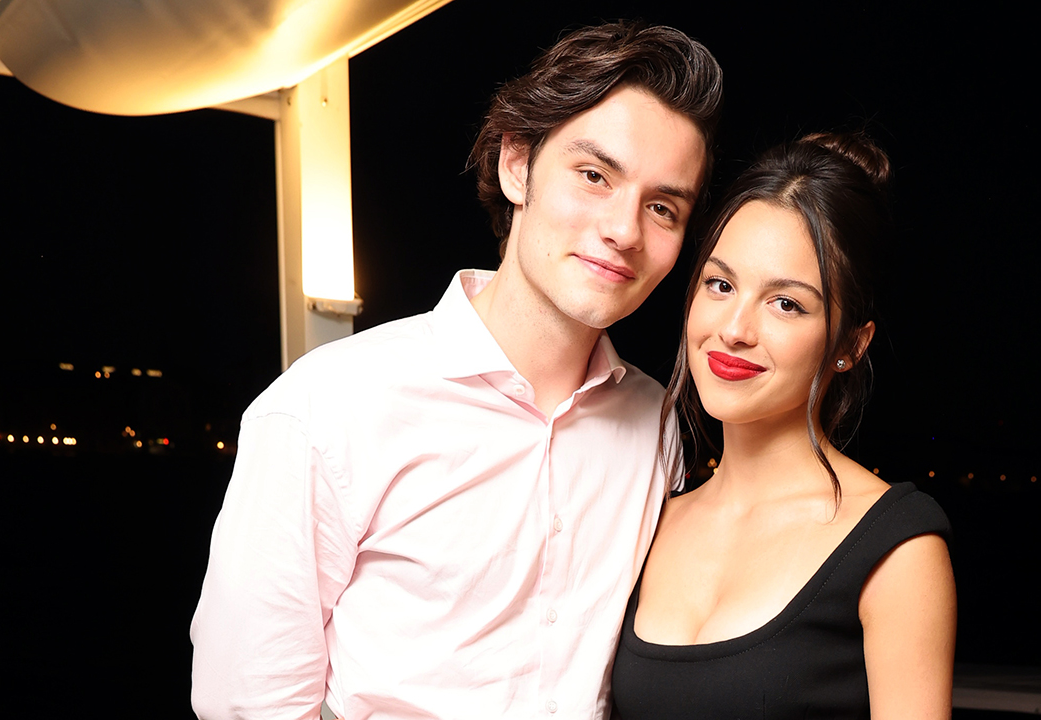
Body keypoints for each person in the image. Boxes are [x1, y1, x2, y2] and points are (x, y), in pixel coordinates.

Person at [190, 22, 723, 720]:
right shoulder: (327, 406)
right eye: (594, 176)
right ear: (517, 165)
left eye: (662, 208)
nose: (624, 230)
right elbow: (248, 701)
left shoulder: (657, 427)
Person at [610, 133, 957, 719]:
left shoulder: (896, 547)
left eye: (786, 303)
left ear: (850, 345)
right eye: (721, 285)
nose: (734, 329)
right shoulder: (648, 515)